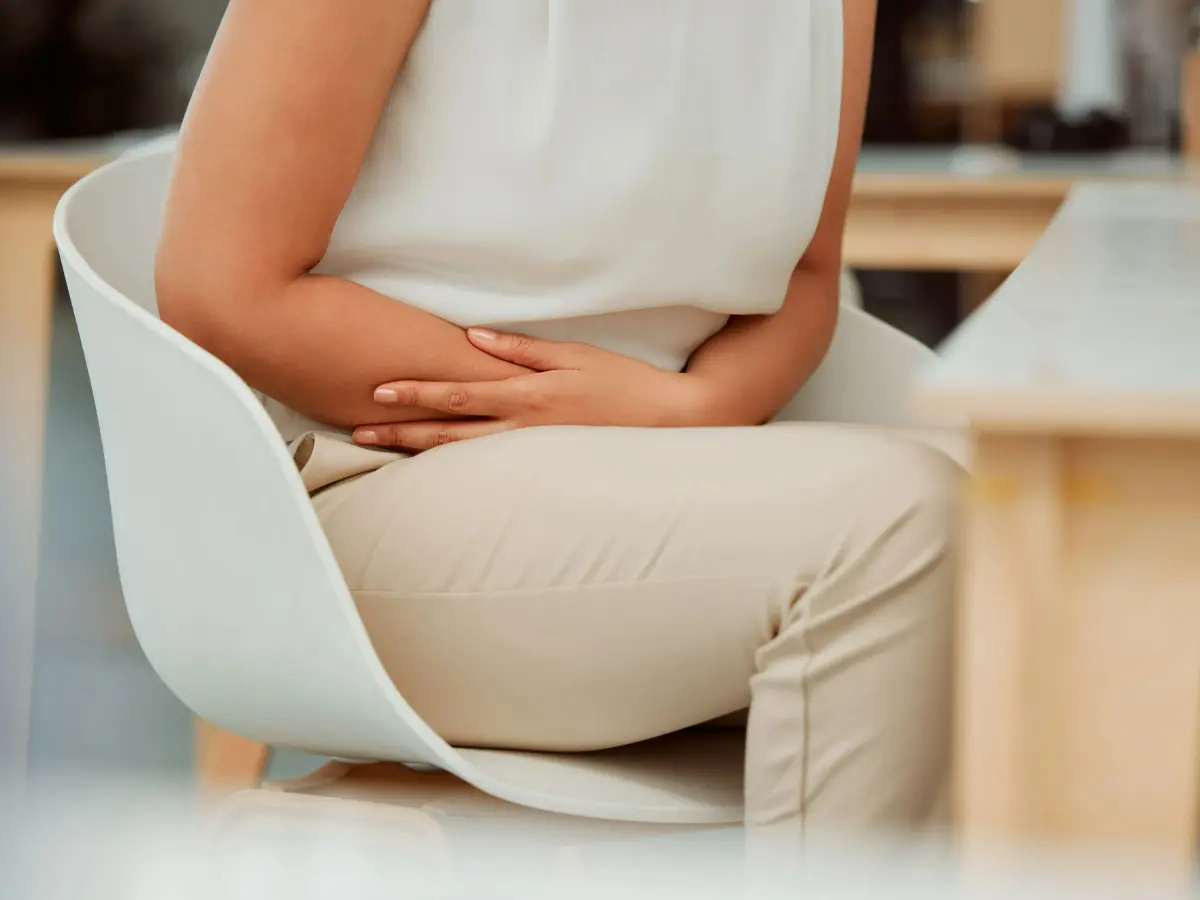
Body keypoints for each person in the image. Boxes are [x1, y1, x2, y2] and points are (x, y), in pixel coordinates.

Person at [155, 0, 960, 832]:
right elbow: (223, 289)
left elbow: (807, 276)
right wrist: (579, 411)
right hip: (367, 491)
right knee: (903, 525)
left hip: (695, 465)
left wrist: (688, 408)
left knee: (1026, 527)